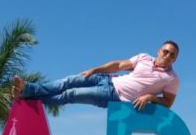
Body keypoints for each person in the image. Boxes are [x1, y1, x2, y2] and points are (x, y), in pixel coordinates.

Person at [12, 41, 180, 110]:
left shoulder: (172, 79)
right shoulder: (144, 57)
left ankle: (25, 97)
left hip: (113, 96)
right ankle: (27, 89)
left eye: (172, 55)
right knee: (68, 81)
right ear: (159, 50)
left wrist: (150, 97)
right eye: (166, 51)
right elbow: (118, 65)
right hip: (105, 79)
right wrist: (95, 70)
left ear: (175, 58)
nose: (168, 56)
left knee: (70, 95)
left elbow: (168, 102)